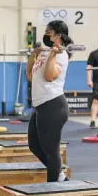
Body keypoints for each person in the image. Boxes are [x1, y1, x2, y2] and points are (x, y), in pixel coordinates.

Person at [25, 20, 72, 183]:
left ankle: (54, 188)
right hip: (40, 107)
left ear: (58, 36)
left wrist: (53, 54)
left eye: (48, 32)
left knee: (51, 151)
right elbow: (30, 76)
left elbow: (49, 76)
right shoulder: (45, 52)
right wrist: (33, 55)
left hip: (53, 106)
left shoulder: (61, 55)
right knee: (34, 146)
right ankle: (59, 175)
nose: (45, 34)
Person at [86, 37, 98, 128]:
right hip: (97, 82)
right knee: (96, 100)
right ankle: (93, 120)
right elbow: (89, 67)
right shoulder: (94, 54)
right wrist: (89, 80)